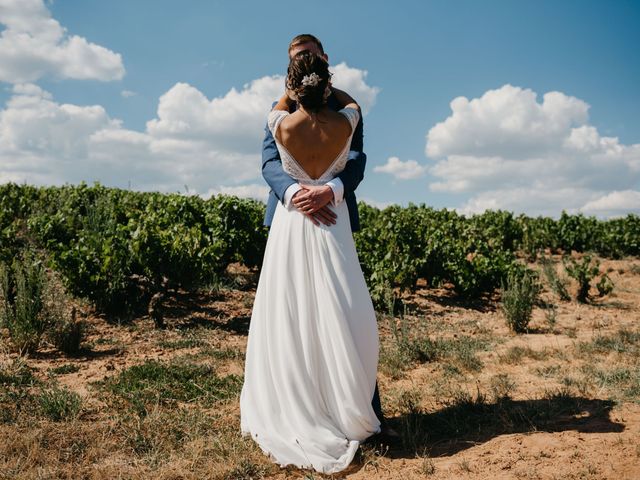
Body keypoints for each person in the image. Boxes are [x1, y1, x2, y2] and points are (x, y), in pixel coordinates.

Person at [239, 51, 385, 474]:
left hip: (299, 224)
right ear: (326, 80)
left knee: (297, 314)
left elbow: (356, 165)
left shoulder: (277, 118)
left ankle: (322, 408)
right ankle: (344, 411)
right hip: (315, 219)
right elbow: (269, 166)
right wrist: (294, 192)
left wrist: (331, 189)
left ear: (292, 81)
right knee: (344, 311)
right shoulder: (349, 116)